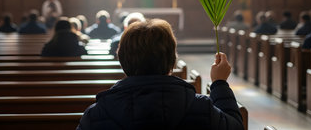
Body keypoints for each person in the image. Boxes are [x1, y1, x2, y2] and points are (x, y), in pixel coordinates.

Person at [77, 19, 243, 129]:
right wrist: (219, 83)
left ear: (122, 61)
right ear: (172, 60)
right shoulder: (201, 108)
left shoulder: (96, 115)